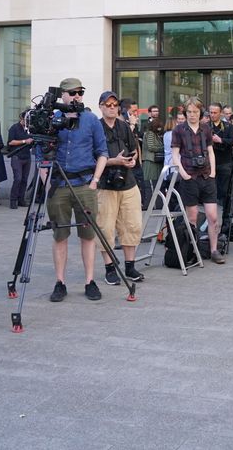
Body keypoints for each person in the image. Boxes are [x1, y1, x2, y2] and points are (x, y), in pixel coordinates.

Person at [43, 78, 109, 303]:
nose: (77, 96)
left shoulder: (91, 119)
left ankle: (90, 281)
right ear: (62, 95)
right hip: (59, 185)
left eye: (80, 92)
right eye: (72, 93)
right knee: (60, 235)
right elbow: (41, 153)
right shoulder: (53, 120)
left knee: (88, 236)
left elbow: (102, 152)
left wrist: (95, 181)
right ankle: (60, 282)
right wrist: (45, 184)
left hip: (84, 184)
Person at [96, 90, 146, 285]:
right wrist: (112, 161)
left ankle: (130, 266)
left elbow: (134, 150)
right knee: (106, 228)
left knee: (132, 225)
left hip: (128, 182)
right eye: (107, 105)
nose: (111, 108)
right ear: (101, 106)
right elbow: (93, 159)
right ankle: (109, 268)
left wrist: (132, 160)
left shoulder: (124, 127)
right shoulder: (96, 127)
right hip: (105, 184)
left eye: (114, 105)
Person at [172, 97, 225, 264]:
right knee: (192, 218)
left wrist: (213, 172)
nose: (192, 115)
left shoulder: (206, 129)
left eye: (195, 112)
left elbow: (210, 151)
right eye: (189, 112)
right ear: (185, 113)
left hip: (206, 176)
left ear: (200, 113)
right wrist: (184, 174)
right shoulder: (179, 130)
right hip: (189, 177)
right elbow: (175, 155)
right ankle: (192, 251)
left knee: (213, 216)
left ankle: (214, 249)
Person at [209, 102, 233, 224]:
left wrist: (220, 140)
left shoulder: (227, 126)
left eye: (215, 113)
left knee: (226, 193)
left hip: (225, 162)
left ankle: (226, 222)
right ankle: (210, 221)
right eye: (211, 112)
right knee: (210, 193)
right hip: (210, 163)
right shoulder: (205, 126)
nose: (212, 115)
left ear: (220, 113)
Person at [6, 111, 33, 209]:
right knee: (18, 179)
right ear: (21, 119)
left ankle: (21, 200)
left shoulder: (29, 129)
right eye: (26, 120)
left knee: (24, 180)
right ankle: (13, 200)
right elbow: (10, 142)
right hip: (17, 156)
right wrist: (24, 141)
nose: (27, 122)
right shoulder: (14, 128)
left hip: (27, 156)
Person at [142, 115, 164, 191]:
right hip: (151, 161)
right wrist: (163, 148)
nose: (160, 128)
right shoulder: (150, 134)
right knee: (151, 183)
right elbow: (151, 147)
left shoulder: (155, 134)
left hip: (155, 161)